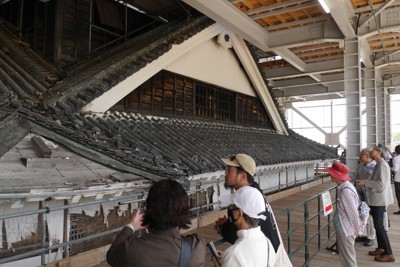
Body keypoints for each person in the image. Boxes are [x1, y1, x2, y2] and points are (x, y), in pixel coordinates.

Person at [106, 179, 206, 267]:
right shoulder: (196, 247)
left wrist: (131, 226)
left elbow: (111, 255)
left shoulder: (131, 249)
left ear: (149, 209)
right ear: (184, 210)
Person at [215, 153, 292, 267]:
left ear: (242, 176)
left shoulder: (249, 197)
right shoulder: (254, 194)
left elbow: (243, 232)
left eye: (230, 169)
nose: (225, 172)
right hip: (269, 257)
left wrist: (223, 228)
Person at [218, 186, 275, 267]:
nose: (229, 209)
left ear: (239, 214)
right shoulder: (267, 243)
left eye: (232, 206)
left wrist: (229, 259)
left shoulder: (233, 254)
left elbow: (237, 256)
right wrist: (227, 258)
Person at [358, 144, 395, 262]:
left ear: (378, 152)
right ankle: (381, 247)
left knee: (379, 226)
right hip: (375, 199)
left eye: (373, 150)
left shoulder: (382, 165)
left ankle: (389, 253)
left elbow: (381, 185)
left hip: (379, 200)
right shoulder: (379, 164)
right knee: (377, 225)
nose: (371, 151)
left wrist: (365, 182)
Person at [327, 162, 364, 267]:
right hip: (345, 228)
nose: (330, 175)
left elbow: (353, 213)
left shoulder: (346, 191)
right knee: (347, 257)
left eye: (332, 173)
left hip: (346, 230)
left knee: (348, 259)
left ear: (336, 176)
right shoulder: (345, 187)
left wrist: (358, 230)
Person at [352, 148, 376, 247]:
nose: (359, 156)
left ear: (367, 155)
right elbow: (354, 176)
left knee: (369, 217)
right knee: (361, 215)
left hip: (370, 195)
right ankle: (363, 234)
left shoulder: (375, 167)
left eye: (361, 154)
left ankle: (370, 237)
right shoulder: (360, 166)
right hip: (360, 194)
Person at [392, 145, 400, 214]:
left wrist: (389, 168)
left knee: (399, 195)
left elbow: (395, 169)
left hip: (398, 179)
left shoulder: (396, 158)